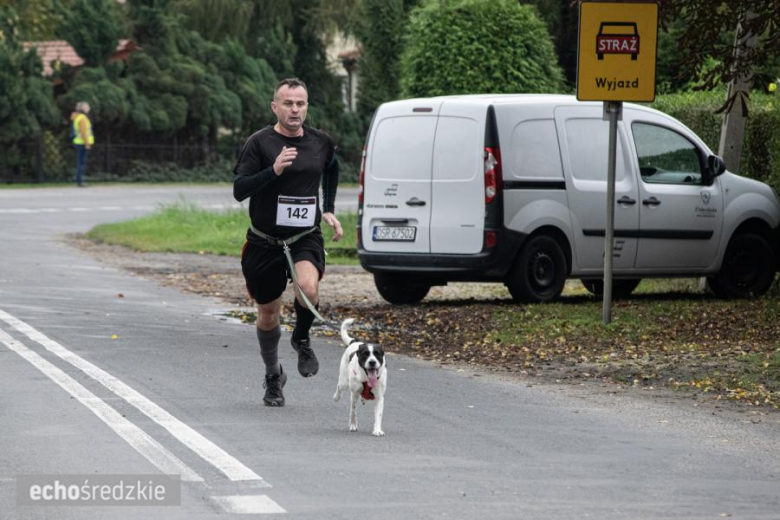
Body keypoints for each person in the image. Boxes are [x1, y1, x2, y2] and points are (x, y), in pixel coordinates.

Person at [233, 78, 342, 407]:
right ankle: (273, 374)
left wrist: (330, 209)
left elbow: (332, 169)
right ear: (275, 107)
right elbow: (240, 190)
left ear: (307, 106)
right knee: (268, 313)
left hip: (303, 236)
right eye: (288, 104)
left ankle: (302, 338)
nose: (295, 110)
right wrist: (273, 171)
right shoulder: (260, 143)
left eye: (301, 104)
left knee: (308, 289)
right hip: (264, 241)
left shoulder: (321, 142)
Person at [71, 101, 94, 187]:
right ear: (83, 108)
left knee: (79, 162)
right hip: (82, 143)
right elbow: (84, 131)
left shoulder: (77, 117)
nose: (89, 108)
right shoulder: (83, 118)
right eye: (87, 106)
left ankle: (79, 180)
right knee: (81, 162)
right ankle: (80, 181)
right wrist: (87, 143)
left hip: (78, 142)